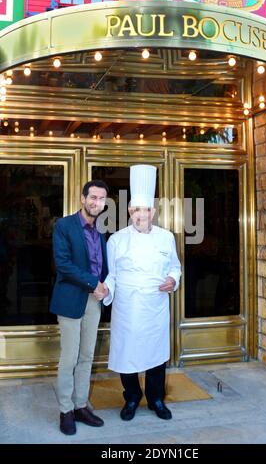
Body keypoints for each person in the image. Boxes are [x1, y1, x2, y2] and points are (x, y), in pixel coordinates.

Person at [103, 165, 181, 421]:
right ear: (129, 212)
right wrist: (105, 290)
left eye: (145, 210)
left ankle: (156, 399)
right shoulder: (116, 240)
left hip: (155, 306)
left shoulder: (166, 237)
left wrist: (172, 279)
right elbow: (111, 275)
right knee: (128, 355)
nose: (140, 215)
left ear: (153, 211)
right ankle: (132, 397)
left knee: (156, 356)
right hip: (127, 306)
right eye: (135, 210)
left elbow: (175, 266)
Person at [50, 180, 109, 435]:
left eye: (101, 199)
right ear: (83, 198)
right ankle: (65, 410)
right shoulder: (64, 226)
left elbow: (102, 267)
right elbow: (63, 263)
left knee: (86, 357)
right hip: (71, 300)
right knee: (69, 359)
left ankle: (80, 405)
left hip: (94, 302)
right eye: (93, 197)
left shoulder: (100, 232)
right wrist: (93, 283)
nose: (97, 203)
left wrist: (105, 286)